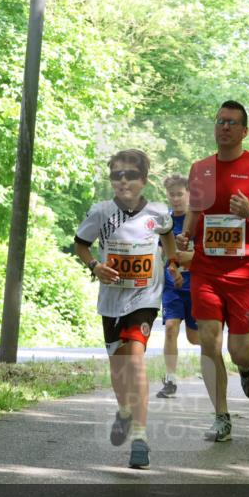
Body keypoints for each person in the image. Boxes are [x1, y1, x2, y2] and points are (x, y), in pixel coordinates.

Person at [175, 100, 249, 442]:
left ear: (244, 131)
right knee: (209, 342)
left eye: (232, 123)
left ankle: (246, 365)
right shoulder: (200, 169)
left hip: (245, 272)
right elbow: (195, 210)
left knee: (239, 348)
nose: (224, 127)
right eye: (220, 121)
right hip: (206, 268)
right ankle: (221, 417)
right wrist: (186, 235)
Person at [74, 149, 183, 468]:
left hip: (145, 298)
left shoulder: (159, 212)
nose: (123, 181)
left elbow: (168, 240)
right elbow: (81, 244)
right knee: (118, 367)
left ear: (143, 180)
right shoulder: (101, 212)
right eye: (116, 175)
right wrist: (94, 265)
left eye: (130, 175)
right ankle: (123, 411)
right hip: (111, 299)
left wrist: (173, 264)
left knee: (135, 360)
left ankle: (140, 437)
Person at [157, 174, 199, 398]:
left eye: (179, 194)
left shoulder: (199, 220)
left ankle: (215, 351)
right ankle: (170, 381)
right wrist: (171, 269)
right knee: (171, 326)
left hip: (196, 285)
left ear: (189, 194)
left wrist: (188, 260)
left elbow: (205, 254)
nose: (175, 199)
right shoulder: (165, 221)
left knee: (195, 338)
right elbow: (162, 254)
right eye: (171, 195)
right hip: (173, 285)